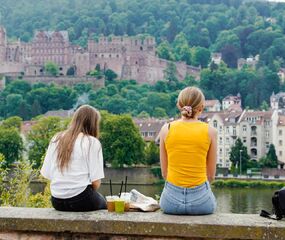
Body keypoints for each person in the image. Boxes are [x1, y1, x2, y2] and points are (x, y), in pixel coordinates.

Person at [159, 87, 217, 215]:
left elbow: (164, 173)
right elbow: (211, 176)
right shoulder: (210, 131)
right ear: (201, 108)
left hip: (170, 202)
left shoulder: (166, 129)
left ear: (179, 105)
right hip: (201, 202)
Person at [40, 105, 107, 212]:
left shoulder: (56, 138)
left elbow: (47, 174)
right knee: (106, 203)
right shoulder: (92, 142)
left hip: (57, 201)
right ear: (93, 124)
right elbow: (96, 183)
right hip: (81, 200)